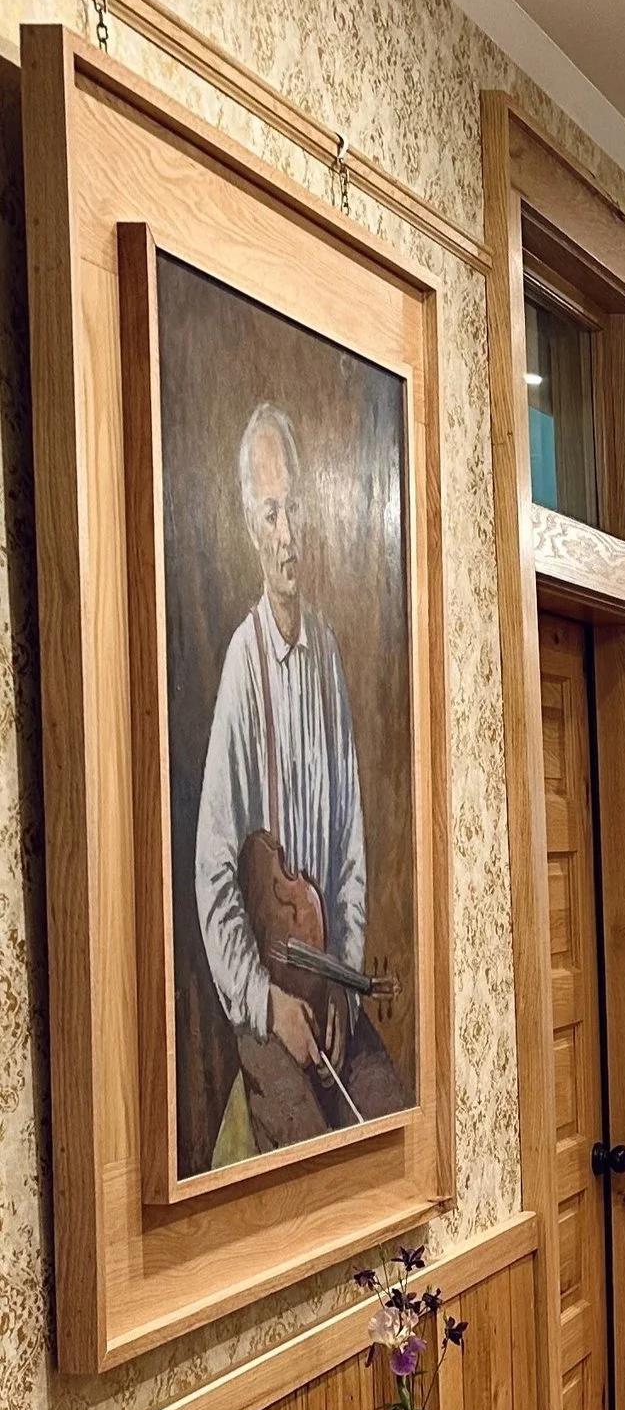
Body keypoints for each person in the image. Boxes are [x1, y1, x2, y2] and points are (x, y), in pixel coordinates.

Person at [192, 400, 408, 1160]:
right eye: (270, 514)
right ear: (252, 529)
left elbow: (349, 841)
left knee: (389, 1126)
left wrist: (346, 982)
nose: (288, 535)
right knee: (317, 1161)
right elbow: (214, 877)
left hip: (329, 990)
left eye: (296, 510)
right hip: (273, 1001)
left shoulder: (331, 657)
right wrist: (267, 1002)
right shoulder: (241, 672)